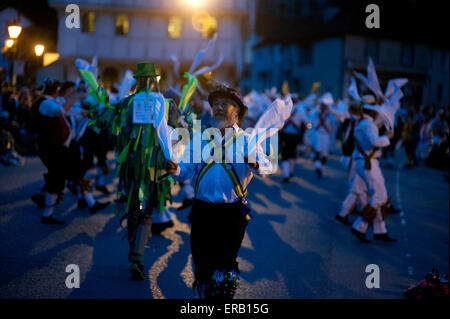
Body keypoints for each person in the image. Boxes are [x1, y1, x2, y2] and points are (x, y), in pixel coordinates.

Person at [165, 84, 273, 299]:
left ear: (238, 112)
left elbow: (266, 167)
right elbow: (186, 171)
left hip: (232, 213)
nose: (219, 108)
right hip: (202, 210)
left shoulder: (246, 140)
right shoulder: (200, 138)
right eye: (215, 104)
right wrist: (175, 168)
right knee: (202, 265)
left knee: (224, 269)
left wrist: (254, 163)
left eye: (225, 104)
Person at [86, 62, 180, 280]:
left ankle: (134, 255)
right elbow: (177, 132)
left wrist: (97, 103)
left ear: (137, 80)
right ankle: (137, 256)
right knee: (146, 209)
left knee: (135, 207)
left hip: (134, 169)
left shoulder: (126, 103)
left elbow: (107, 119)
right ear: (155, 80)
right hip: (155, 170)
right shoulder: (167, 104)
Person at [349, 101, 397, 243]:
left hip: (364, 162)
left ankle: (380, 231)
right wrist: (387, 138)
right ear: (373, 113)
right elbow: (374, 142)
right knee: (379, 198)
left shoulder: (363, 124)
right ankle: (359, 226)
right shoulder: (368, 125)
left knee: (379, 196)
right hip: (368, 163)